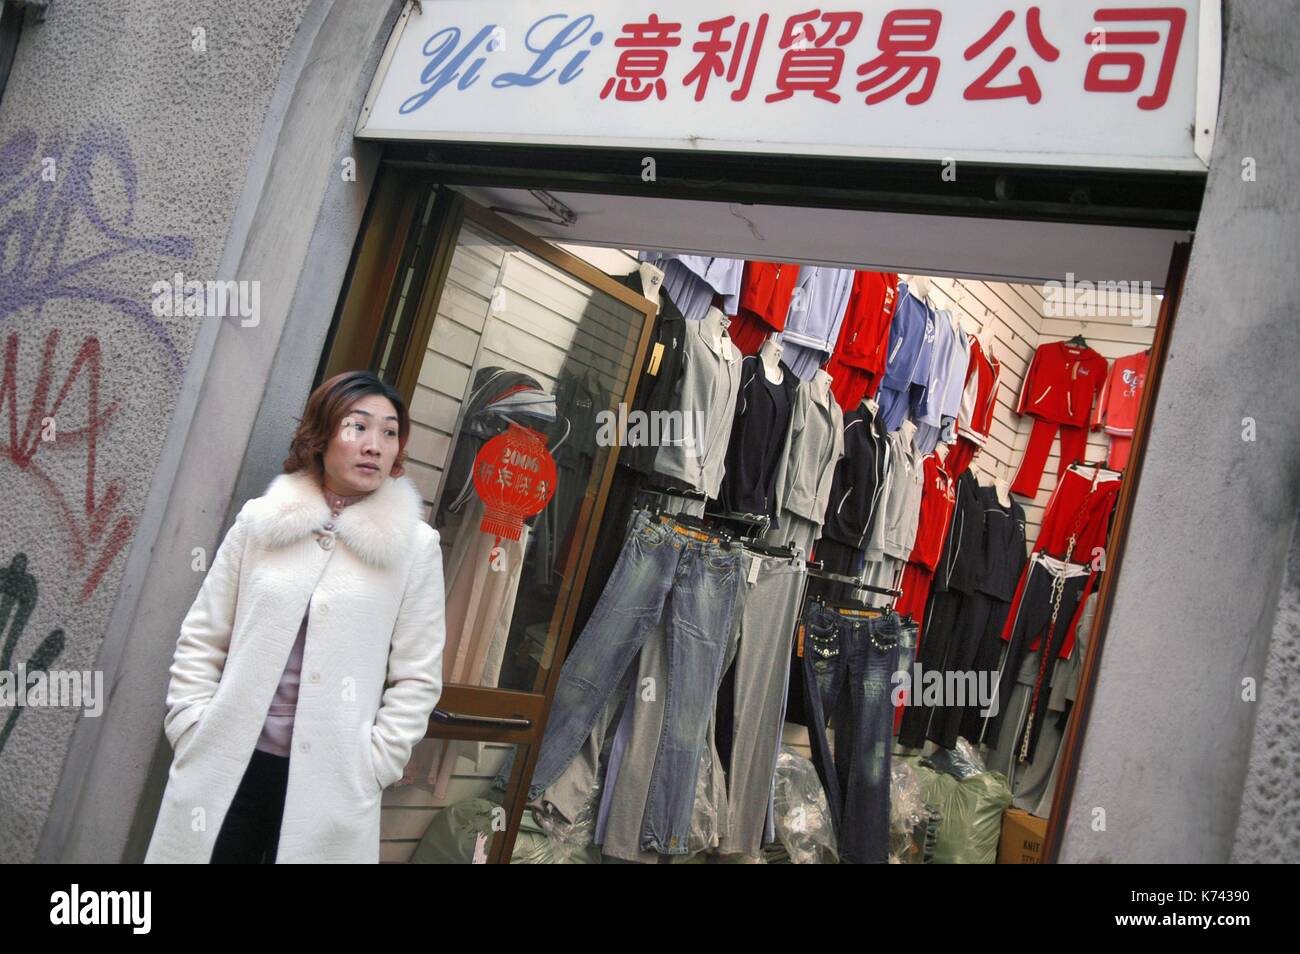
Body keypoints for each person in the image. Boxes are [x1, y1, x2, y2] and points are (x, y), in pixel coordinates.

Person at [144, 370, 446, 863]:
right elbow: (204, 634)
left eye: (390, 432)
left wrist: (376, 763)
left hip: (333, 781)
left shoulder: (413, 548)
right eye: (358, 427)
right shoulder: (262, 522)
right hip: (228, 764)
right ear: (321, 436)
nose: (375, 445)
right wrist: (190, 722)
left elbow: (417, 675)